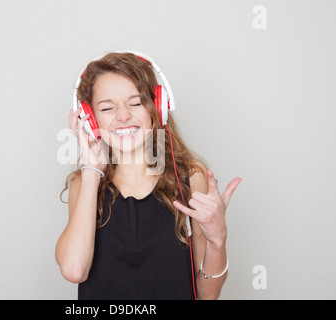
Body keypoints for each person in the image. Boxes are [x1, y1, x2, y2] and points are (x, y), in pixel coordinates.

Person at [56, 52, 241, 300]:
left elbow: (207, 296)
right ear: (90, 119)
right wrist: (92, 170)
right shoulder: (85, 183)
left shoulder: (190, 177)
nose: (123, 116)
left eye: (135, 103)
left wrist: (217, 239)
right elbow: (74, 270)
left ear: (158, 108)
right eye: (107, 107)